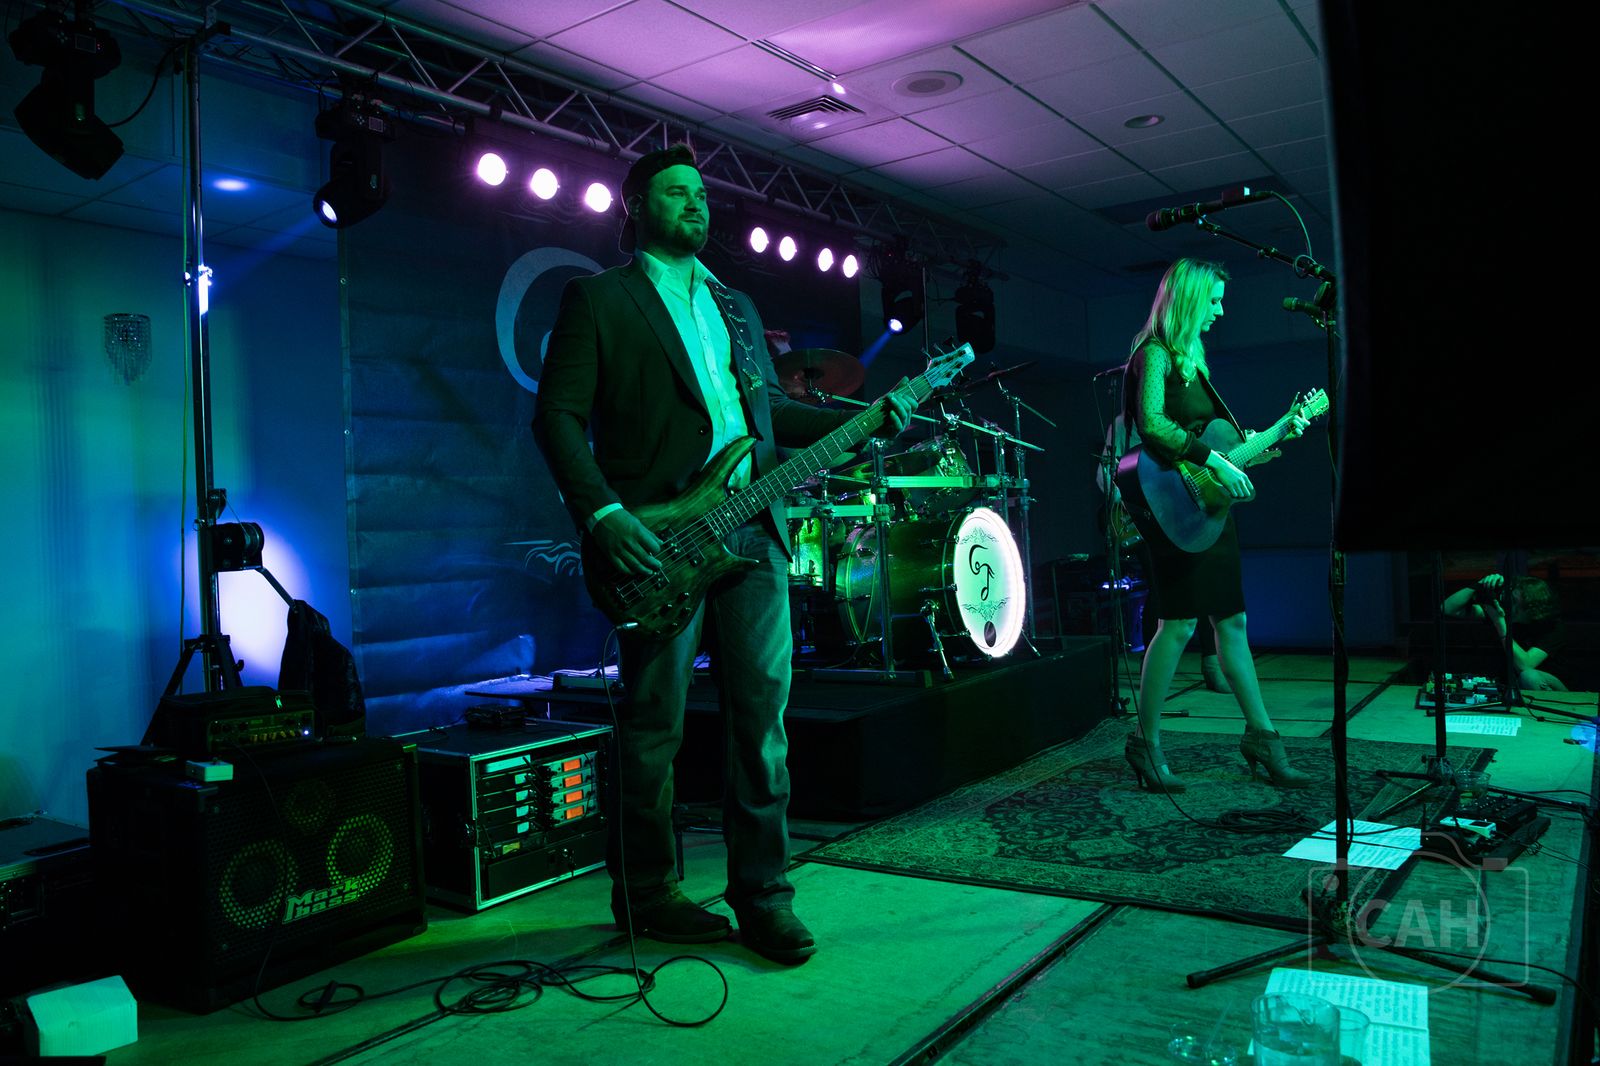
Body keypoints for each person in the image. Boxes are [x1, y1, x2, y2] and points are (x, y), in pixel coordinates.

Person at [531, 144, 912, 964]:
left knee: (762, 724)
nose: (696, 204)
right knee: (653, 726)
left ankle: (764, 895)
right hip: (661, 539)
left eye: (701, 194)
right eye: (676, 192)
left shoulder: (736, 305)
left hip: (754, 529)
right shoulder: (599, 299)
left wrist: (867, 420)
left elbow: (769, 415)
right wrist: (602, 513)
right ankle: (646, 894)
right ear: (637, 206)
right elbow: (556, 416)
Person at [1118, 258, 1312, 793]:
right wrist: (1216, 461)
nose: (1220, 311)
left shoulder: (1193, 361)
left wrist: (1275, 435)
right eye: (1214, 300)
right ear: (1188, 297)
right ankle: (1145, 743)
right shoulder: (1153, 354)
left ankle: (1263, 737)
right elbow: (1153, 425)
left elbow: (1223, 448)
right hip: (1174, 511)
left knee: (1234, 623)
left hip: (1209, 511)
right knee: (1178, 625)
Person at [1097, 413, 1229, 693]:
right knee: (1159, 588)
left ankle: (1211, 663)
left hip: (1179, 515)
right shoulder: (1122, 425)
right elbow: (1104, 475)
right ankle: (1151, 668)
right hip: (1144, 519)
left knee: (1200, 581)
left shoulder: (1177, 416)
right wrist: (1131, 497)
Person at [1441, 572, 1566, 691]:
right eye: (1510, 598)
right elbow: (1447, 608)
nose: (1509, 605)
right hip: (1513, 687)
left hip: (1552, 688)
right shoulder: (1504, 614)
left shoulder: (1553, 627)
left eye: (1515, 602)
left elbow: (1525, 665)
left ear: (1531, 609)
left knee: (1529, 677)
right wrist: (1479, 585)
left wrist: (1499, 622)